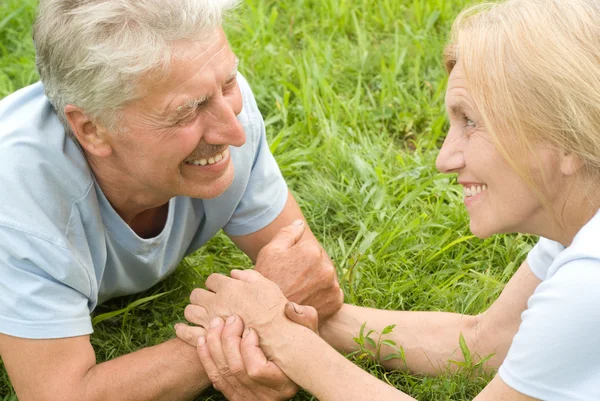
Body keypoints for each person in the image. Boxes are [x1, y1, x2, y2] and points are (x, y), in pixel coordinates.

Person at [176, 0, 600, 399]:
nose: (443, 159)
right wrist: (306, 318)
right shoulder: (576, 224)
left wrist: (279, 335)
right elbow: (485, 342)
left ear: (564, 140)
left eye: (471, 122)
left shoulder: (589, 280)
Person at [0, 1, 344, 400]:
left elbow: (304, 277)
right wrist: (249, 324)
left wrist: (274, 311)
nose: (234, 132)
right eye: (187, 111)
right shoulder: (19, 206)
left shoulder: (220, 105)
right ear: (92, 129)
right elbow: (61, 395)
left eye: (228, 83)